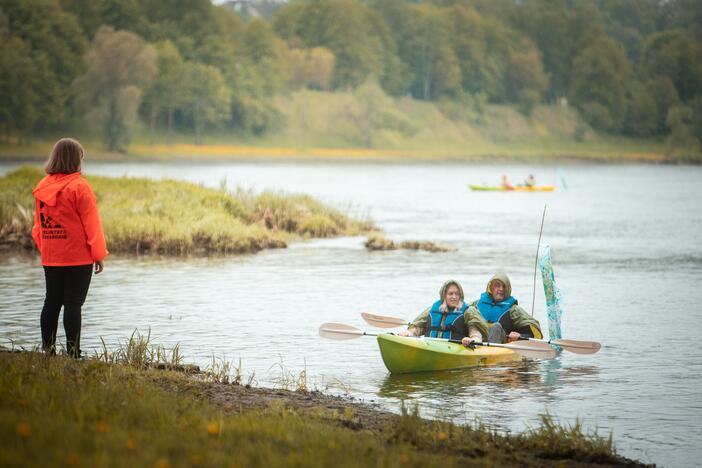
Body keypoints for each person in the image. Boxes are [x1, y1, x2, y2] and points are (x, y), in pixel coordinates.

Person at [32, 138, 108, 358]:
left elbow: (38, 227)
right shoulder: (80, 186)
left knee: (52, 302)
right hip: (78, 258)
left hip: (52, 256)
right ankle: (74, 355)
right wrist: (98, 255)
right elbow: (92, 225)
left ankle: (49, 352)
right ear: (76, 160)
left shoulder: (42, 186)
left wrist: (47, 249)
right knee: (73, 304)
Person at [399, 280, 487, 345]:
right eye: (450, 294)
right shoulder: (432, 309)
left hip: (456, 348)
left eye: (457, 294)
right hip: (430, 346)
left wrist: (472, 339)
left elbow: (476, 332)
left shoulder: (468, 311)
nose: (454, 297)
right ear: (444, 295)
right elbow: (419, 327)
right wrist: (409, 333)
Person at [468, 273, 542, 343]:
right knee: (470, 312)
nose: (501, 289)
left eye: (504, 286)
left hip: (500, 342)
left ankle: (491, 353)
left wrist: (520, 336)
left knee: (496, 326)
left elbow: (531, 333)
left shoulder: (514, 310)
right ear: (491, 288)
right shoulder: (476, 304)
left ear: (508, 289)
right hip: (476, 339)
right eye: (497, 285)